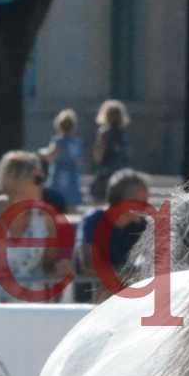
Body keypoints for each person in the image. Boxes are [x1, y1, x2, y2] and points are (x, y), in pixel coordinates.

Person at [0, 151, 69, 304]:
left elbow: (48, 266)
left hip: (31, 306)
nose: (43, 184)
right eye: (38, 179)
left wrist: (60, 269)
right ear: (17, 179)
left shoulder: (45, 218)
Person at [75, 169, 151, 303]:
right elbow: (88, 264)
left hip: (126, 300)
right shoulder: (94, 220)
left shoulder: (141, 226)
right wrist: (128, 275)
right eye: (141, 201)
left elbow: (152, 263)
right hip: (90, 301)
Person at [40, 108, 84, 211]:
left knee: (56, 206)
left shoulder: (58, 141)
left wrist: (42, 153)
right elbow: (79, 162)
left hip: (59, 178)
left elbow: (50, 157)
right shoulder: (77, 142)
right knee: (72, 207)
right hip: (73, 178)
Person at [90, 99, 132, 202]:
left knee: (101, 200)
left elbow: (98, 156)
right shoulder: (123, 134)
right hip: (121, 172)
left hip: (106, 172)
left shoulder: (104, 133)